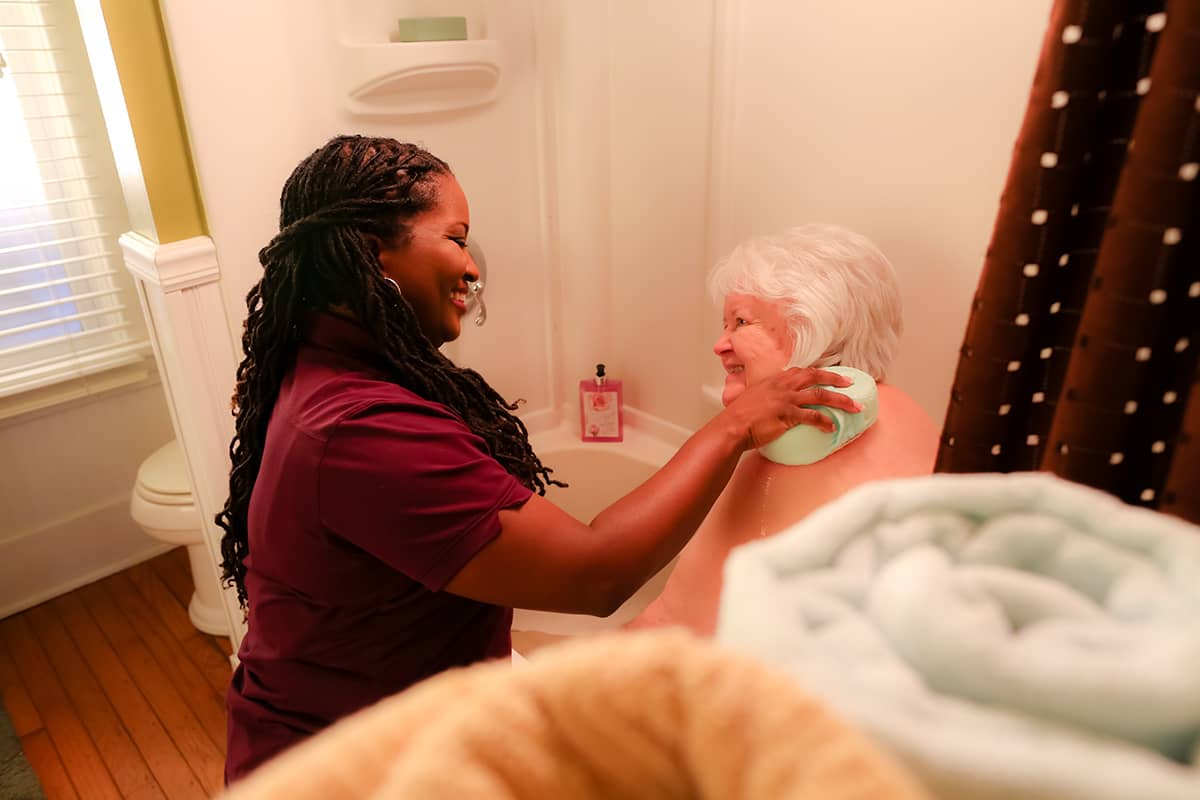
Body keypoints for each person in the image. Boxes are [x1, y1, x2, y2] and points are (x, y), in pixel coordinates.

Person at [215, 136, 862, 783]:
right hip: (347, 766)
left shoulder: (320, 364)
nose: (472, 268)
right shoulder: (361, 430)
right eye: (457, 238)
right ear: (371, 250)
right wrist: (733, 426)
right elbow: (595, 577)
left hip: (369, 708)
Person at [627, 224, 941, 635]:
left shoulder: (793, 451)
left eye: (741, 322)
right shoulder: (906, 413)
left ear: (820, 327)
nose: (719, 345)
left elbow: (682, 627)